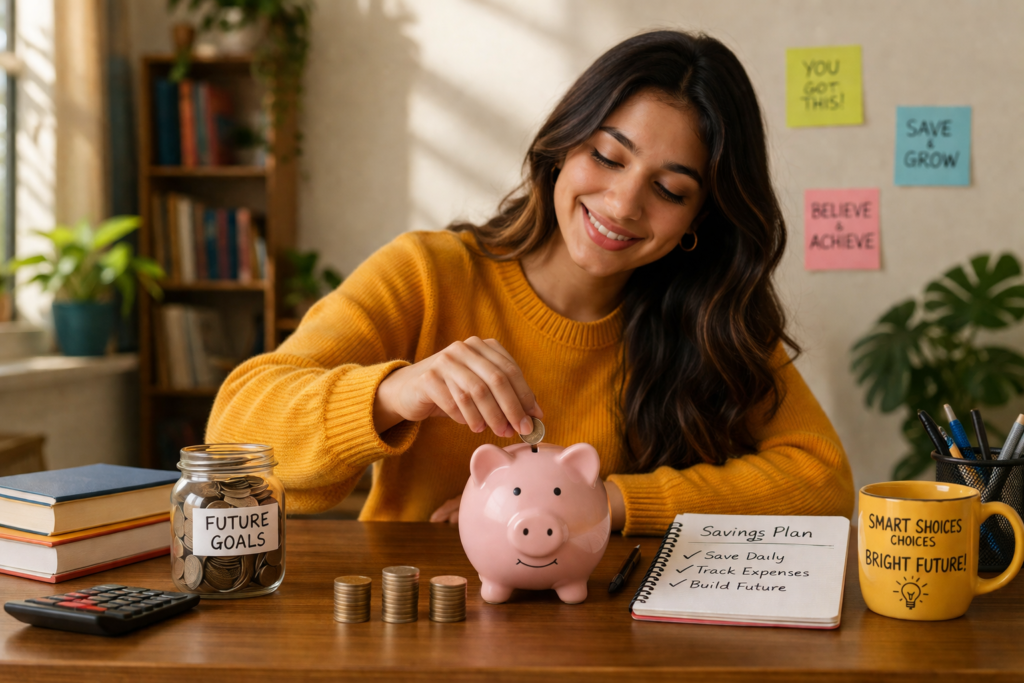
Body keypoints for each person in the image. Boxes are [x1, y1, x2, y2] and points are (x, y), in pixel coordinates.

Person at [206, 30, 854, 536]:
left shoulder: (712, 315)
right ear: (562, 145)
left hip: (609, 638)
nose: (624, 203)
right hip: (415, 626)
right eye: (607, 155)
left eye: (669, 189)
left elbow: (821, 481)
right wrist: (395, 391)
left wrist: (607, 501)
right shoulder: (430, 273)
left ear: (697, 218)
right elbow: (232, 438)